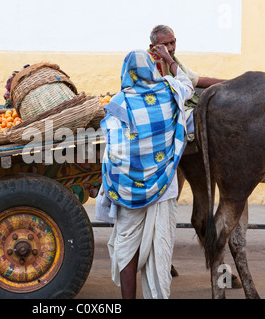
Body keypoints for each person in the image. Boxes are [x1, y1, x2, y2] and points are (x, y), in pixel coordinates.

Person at [96, 49, 194, 299]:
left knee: (127, 247)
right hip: (164, 188)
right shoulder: (171, 92)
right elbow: (188, 85)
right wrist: (171, 62)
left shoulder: (118, 102)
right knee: (159, 246)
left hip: (128, 190)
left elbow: (113, 147)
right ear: (153, 68)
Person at [148, 25, 225, 140]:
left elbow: (197, 80)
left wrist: (232, 82)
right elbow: (181, 90)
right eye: (164, 45)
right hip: (168, 114)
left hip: (181, 107)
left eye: (172, 43)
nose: (170, 48)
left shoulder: (173, 59)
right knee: (212, 121)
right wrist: (168, 60)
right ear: (153, 46)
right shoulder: (149, 62)